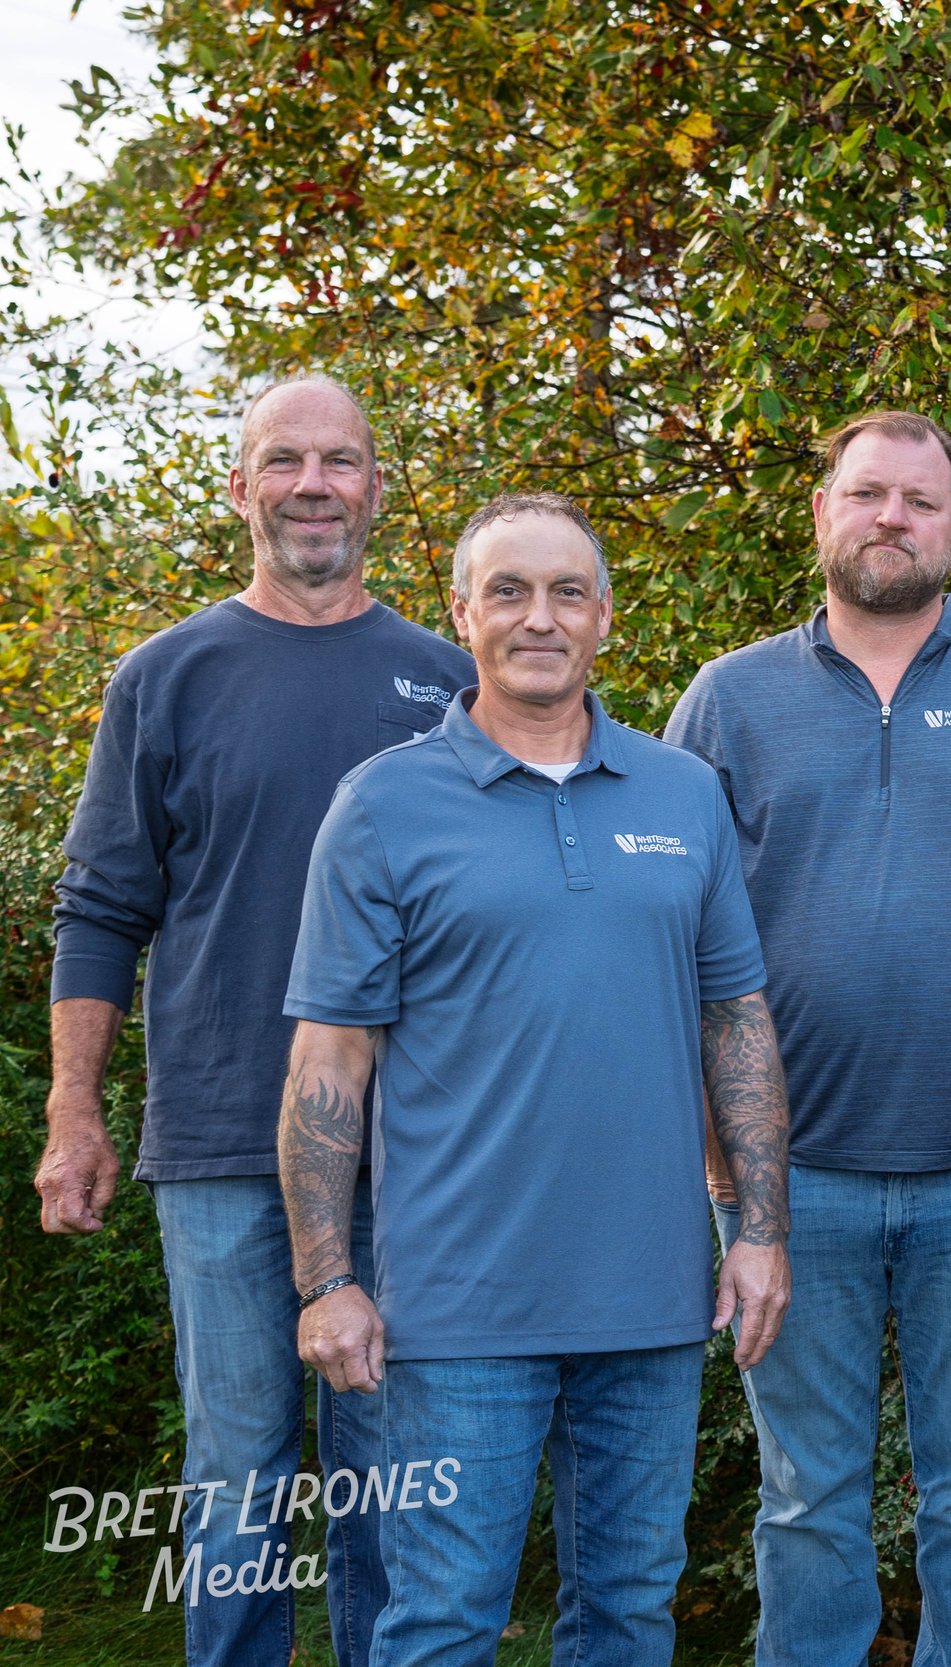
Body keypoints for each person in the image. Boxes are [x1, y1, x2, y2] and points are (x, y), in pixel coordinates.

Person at [279, 493, 791, 1666]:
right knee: (444, 1621)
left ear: (605, 615)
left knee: (626, 1616)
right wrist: (326, 1280)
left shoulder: (681, 793)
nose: (538, 617)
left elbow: (736, 1020)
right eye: (507, 590)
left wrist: (758, 1228)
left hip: (651, 1301)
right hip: (457, 1311)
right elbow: (328, 1061)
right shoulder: (383, 805)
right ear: (462, 613)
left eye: (566, 591)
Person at [35, 376, 471, 1667]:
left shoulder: (448, 682)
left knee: (393, 1468)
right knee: (237, 1471)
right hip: (223, 1138)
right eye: (284, 459)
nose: (314, 483)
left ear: (378, 488)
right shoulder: (165, 678)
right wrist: (75, 1107)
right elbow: (104, 904)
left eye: (342, 459)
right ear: (240, 488)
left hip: (413, 1146)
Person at [666, 410, 951, 1667]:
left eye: (919, 500)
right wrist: (723, 1175)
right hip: (788, 1179)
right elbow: (681, 943)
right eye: (867, 494)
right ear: (822, 513)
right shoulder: (730, 699)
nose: (891, 519)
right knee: (808, 1500)